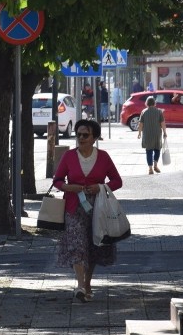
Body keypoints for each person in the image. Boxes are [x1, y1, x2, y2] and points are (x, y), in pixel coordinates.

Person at [52, 119, 123, 302]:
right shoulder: (69, 156)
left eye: (86, 135)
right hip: (74, 207)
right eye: (79, 135)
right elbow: (57, 180)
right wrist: (69, 188)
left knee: (92, 246)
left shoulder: (104, 157)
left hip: (97, 207)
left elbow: (117, 181)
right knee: (77, 244)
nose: (81, 138)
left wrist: (100, 187)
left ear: (94, 138)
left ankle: (88, 283)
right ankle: (80, 285)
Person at [137, 96, 167, 175]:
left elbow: (140, 124)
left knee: (149, 151)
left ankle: (150, 168)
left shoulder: (144, 112)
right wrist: (165, 132)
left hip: (147, 135)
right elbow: (163, 123)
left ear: (146, 103)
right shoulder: (159, 112)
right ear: (154, 103)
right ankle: (155, 165)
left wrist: (139, 133)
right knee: (157, 149)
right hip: (157, 134)